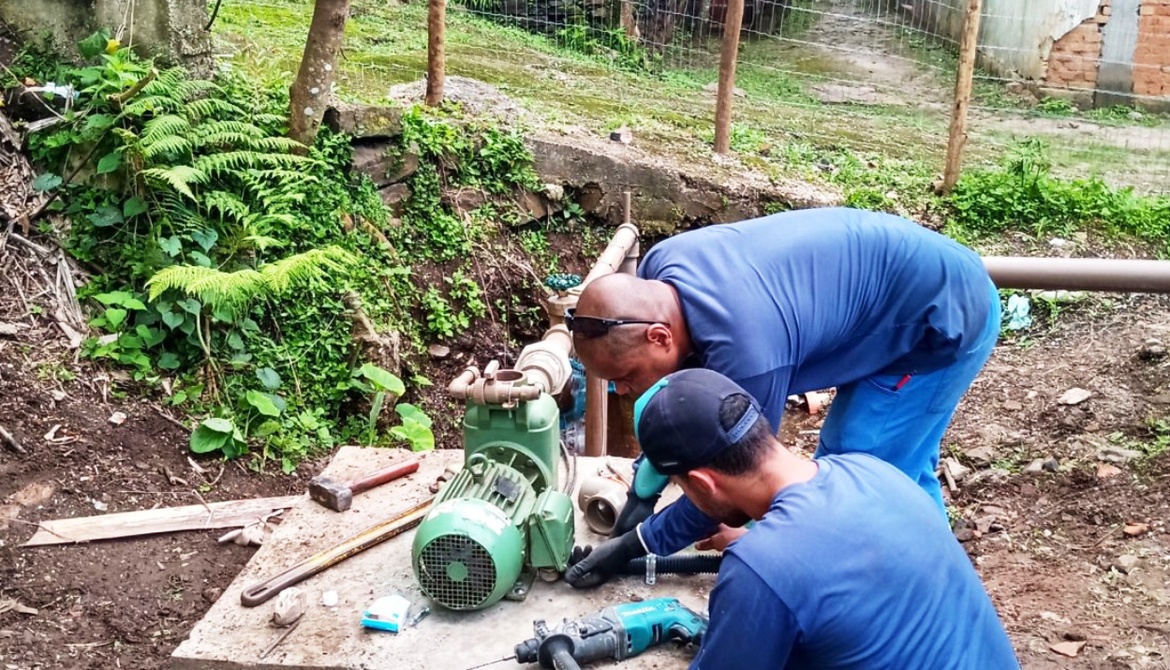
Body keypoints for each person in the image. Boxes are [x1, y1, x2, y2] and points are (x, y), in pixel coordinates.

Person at [563, 207, 1000, 587]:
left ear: (660, 336)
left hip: (940, 320)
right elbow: (683, 406)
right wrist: (642, 494)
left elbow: (732, 484)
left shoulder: (748, 357)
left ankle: (921, 590)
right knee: (891, 463)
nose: (623, 390)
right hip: (894, 292)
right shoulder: (661, 271)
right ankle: (933, 571)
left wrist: (634, 546)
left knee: (855, 473)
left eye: (625, 376)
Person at [622, 368, 1021, 669]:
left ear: (702, 484)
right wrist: (763, 559)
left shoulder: (763, 570)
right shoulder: (871, 470)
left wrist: (759, 571)